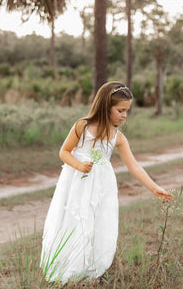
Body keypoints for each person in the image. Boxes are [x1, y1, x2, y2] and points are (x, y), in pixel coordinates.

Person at [40, 81, 173, 284]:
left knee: (97, 224)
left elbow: (134, 166)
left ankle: (89, 270)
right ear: (105, 107)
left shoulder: (118, 138)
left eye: (126, 111)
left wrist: (155, 188)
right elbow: (64, 152)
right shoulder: (82, 126)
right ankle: (69, 269)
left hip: (102, 186)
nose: (124, 115)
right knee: (77, 222)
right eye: (120, 110)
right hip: (78, 182)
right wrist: (78, 164)